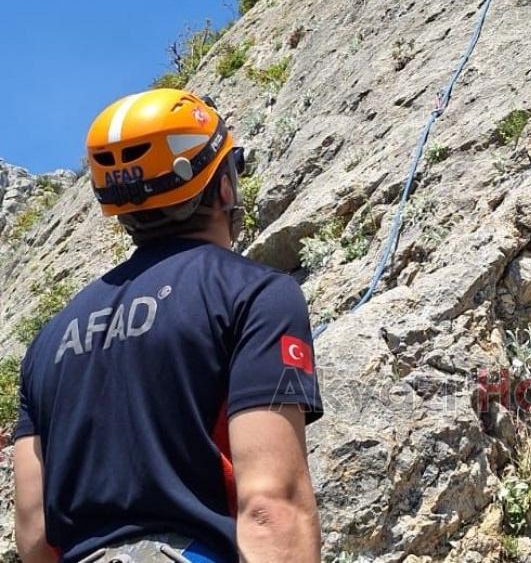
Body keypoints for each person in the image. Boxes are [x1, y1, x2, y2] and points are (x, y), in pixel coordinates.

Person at [13, 89, 323, 563]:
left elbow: (35, 533)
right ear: (222, 187)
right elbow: (270, 508)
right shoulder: (254, 294)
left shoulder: (49, 340)